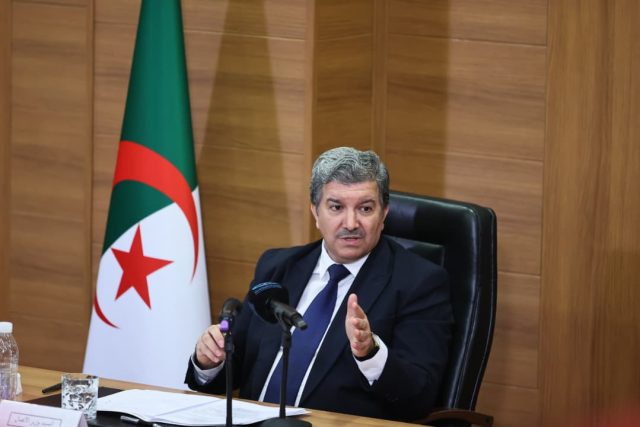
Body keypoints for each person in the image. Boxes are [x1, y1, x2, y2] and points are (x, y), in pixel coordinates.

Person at [185, 147, 453, 422]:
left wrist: (370, 353)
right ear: (315, 211)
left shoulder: (419, 283)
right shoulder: (277, 267)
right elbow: (234, 371)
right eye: (336, 207)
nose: (351, 223)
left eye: (365, 208)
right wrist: (209, 360)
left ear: (384, 213)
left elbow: (419, 397)